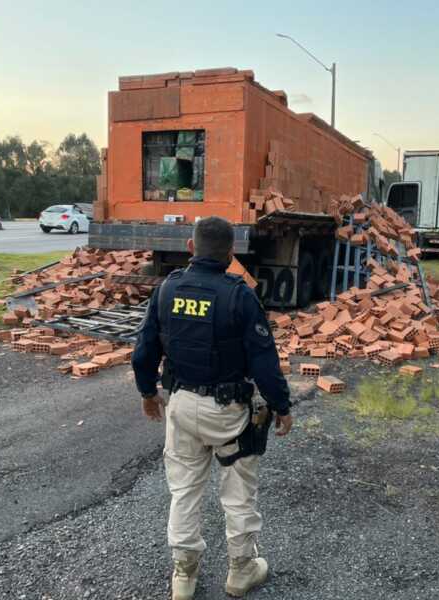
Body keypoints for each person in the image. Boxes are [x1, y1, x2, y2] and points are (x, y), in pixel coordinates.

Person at [132, 216, 292, 599]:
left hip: (181, 405)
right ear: (231, 253)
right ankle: (241, 571)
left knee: (185, 490)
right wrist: (282, 406)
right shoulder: (239, 295)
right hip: (230, 413)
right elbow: (264, 361)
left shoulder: (167, 289)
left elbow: (143, 351)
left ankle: (183, 577)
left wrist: (146, 393)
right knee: (238, 493)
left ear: (191, 247)